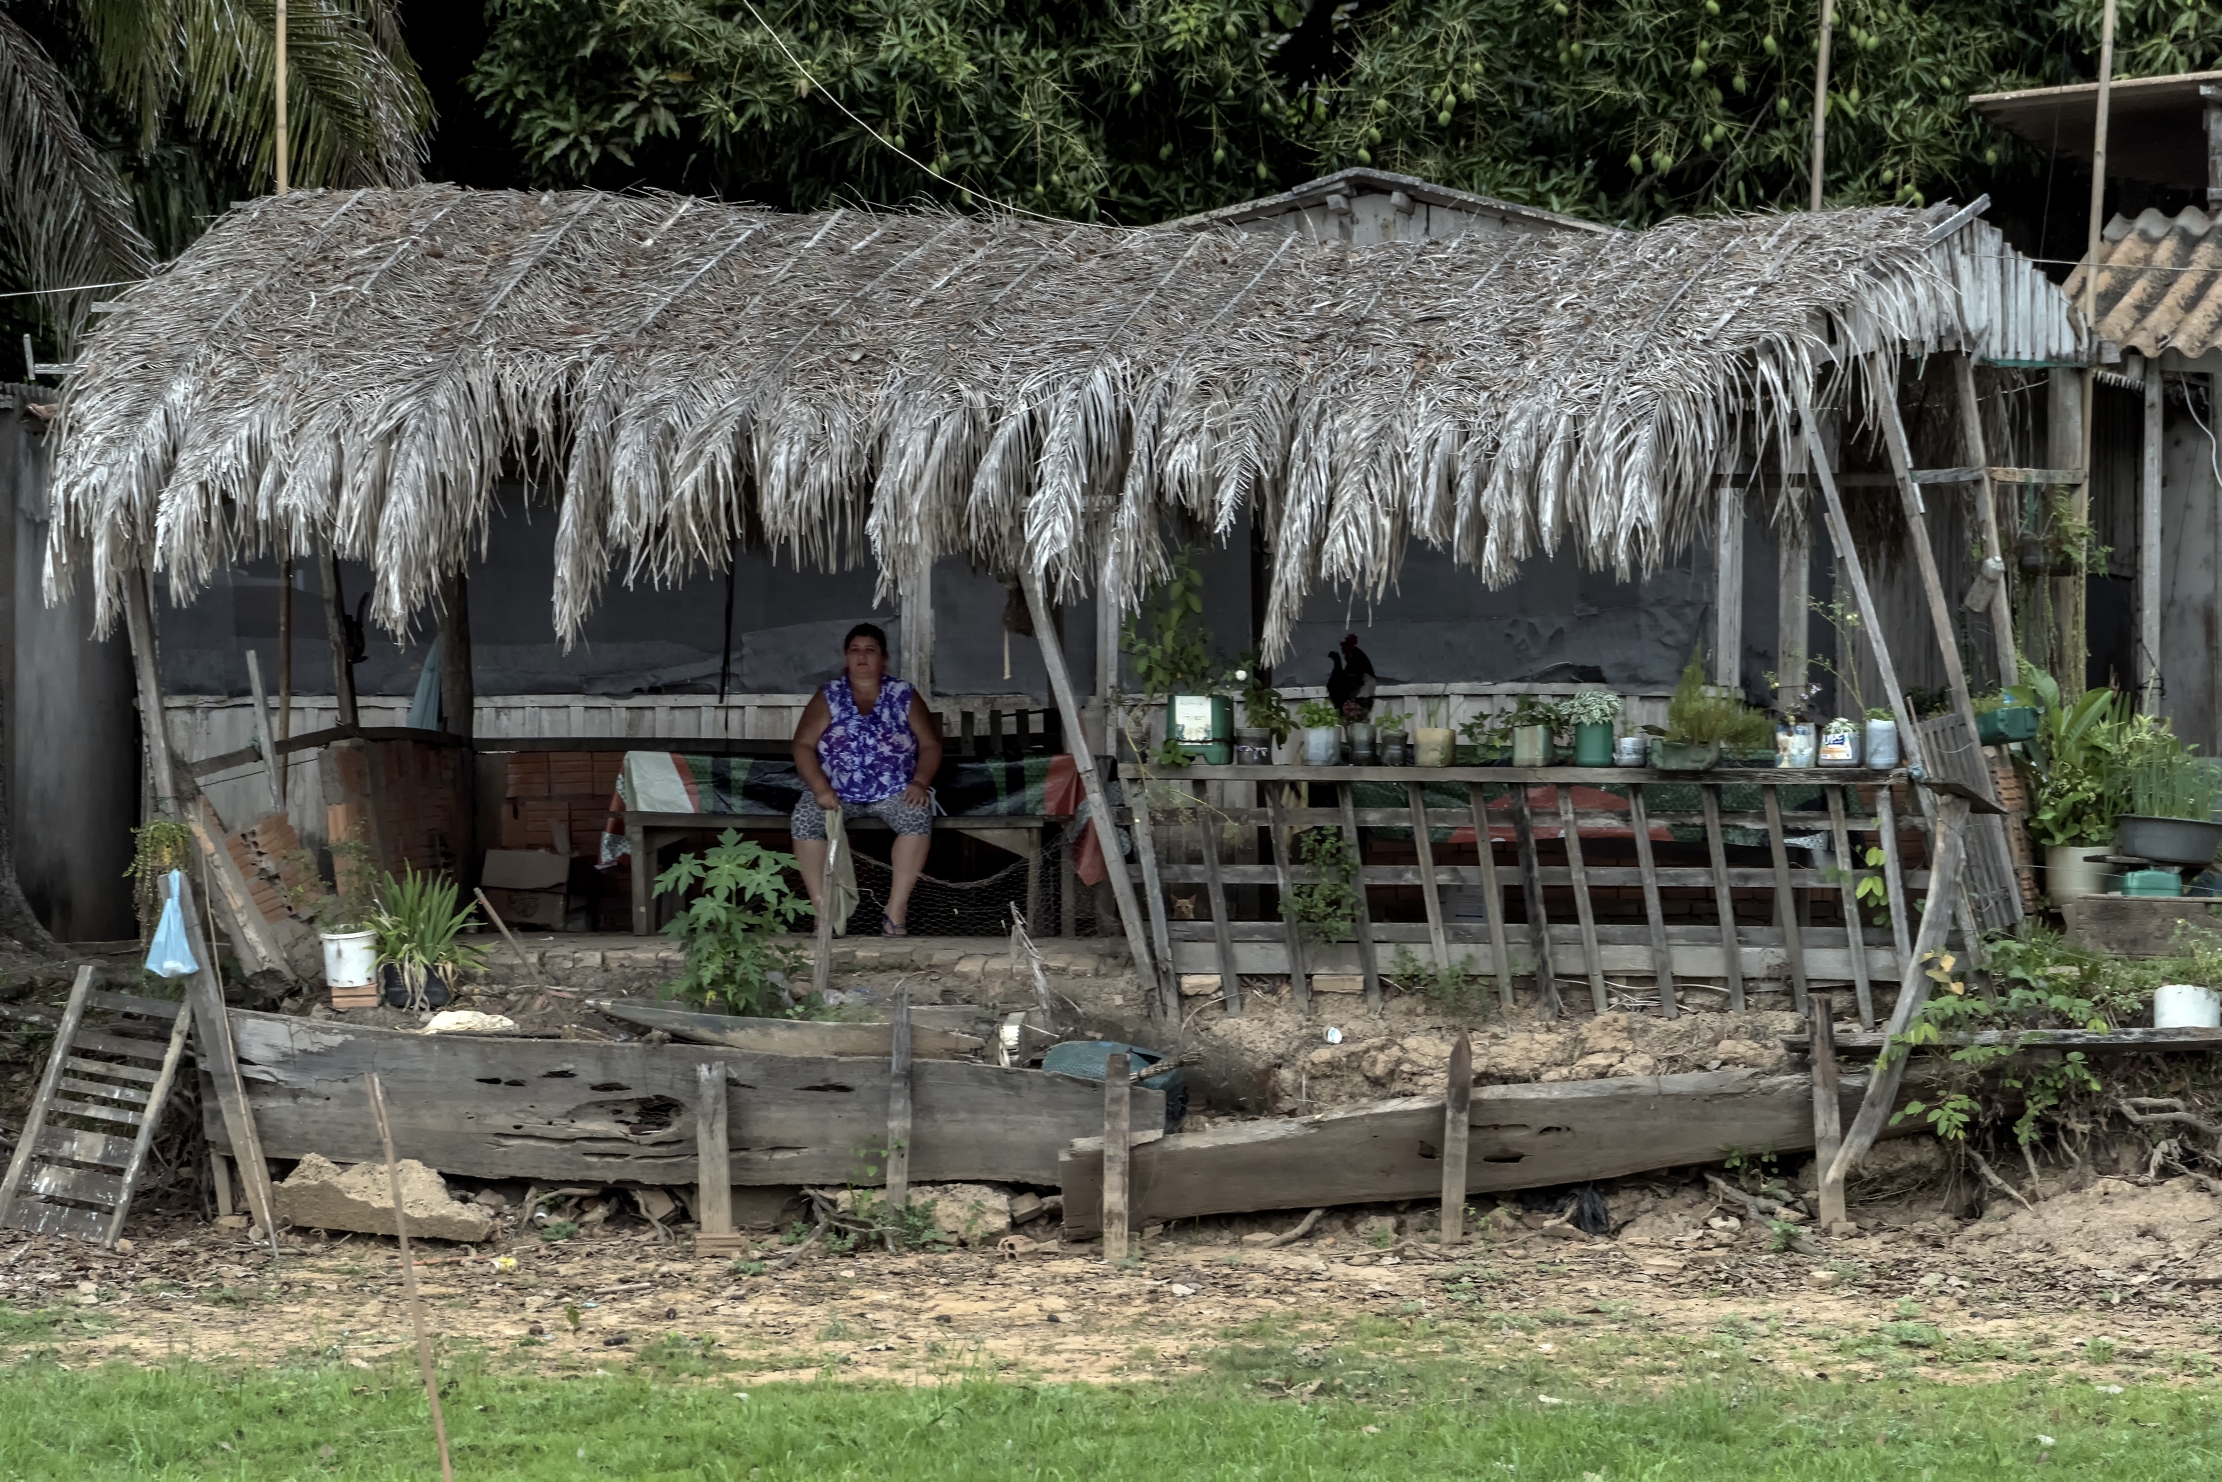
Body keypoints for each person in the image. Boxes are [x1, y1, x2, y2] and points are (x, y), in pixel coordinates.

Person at [790, 623, 943, 935]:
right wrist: (820, 788)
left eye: (870, 650)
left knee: (916, 815)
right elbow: (803, 746)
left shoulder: (903, 695)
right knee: (805, 818)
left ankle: (895, 910)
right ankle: (824, 913)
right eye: (855, 650)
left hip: (893, 789)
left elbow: (930, 745)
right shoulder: (829, 695)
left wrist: (919, 782)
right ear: (846, 656)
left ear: (883, 658)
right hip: (836, 792)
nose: (862, 656)